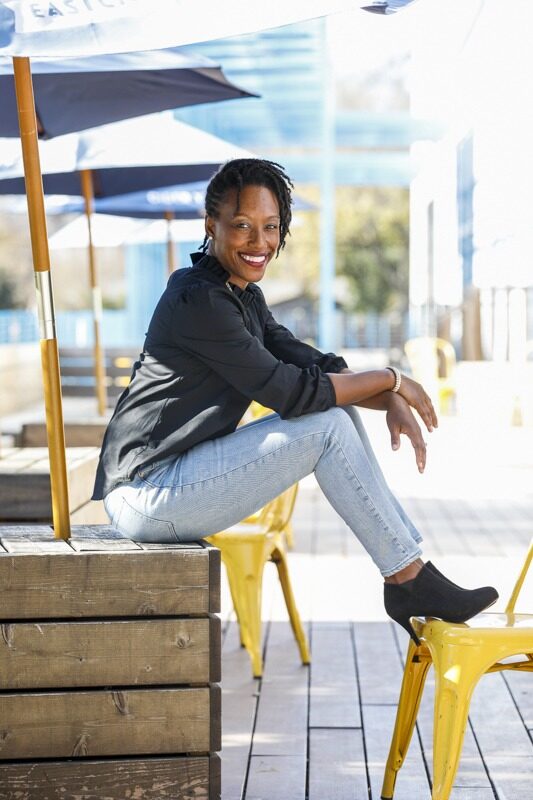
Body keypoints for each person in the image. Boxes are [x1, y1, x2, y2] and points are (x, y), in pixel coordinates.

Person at [93, 158, 498, 643]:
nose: (259, 243)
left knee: (335, 409)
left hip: (178, 476)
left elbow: (312, 365)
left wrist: (386, 390)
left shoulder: (241, 296)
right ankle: (408, 580)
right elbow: (287, 390)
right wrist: (390, 378)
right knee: (325, 425)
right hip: (147, 492)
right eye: (242, 226)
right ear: (211, 225)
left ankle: (409, 573)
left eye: (270, 228)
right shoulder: (199, 301)